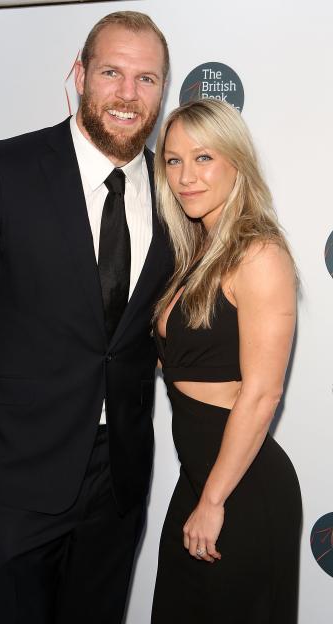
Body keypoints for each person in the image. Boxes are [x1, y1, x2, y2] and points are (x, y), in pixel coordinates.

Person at [0, 11, 172, 624]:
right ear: (80, 74)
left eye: (147, 79)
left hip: (118, 483)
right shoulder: (1, 171)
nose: (127, 95)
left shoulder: (175, 189)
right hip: (8, 482)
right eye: (112, 72)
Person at [151, 100, 302, 623]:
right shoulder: (194, 252)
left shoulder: (258, 254)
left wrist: (214, 501)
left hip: (239, 489)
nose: (186, 176)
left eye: (203, 158)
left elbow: (262, 393)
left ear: (236, 161)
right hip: (197, 481)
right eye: (173, 161)